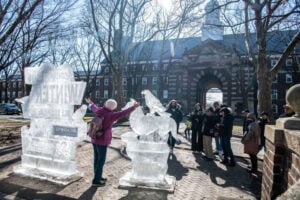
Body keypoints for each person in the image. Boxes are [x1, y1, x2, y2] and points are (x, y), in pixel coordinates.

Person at [85, 98, 139, 187]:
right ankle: (96, 180)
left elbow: (93, 107)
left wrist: (90, 102)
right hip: (102, 140)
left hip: (94, 138)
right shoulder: (111, 115)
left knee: (96, 159)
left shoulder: (99, 110)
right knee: (101, 161)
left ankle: (98, 177)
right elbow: (123, 113)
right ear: (113, 108)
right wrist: (133, 107)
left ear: (105, 104)